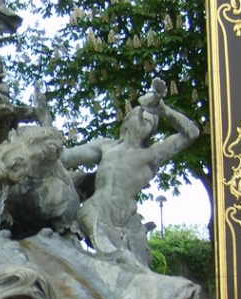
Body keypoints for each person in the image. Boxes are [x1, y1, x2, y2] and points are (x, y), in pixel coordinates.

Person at [61, 79, 200, 264]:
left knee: (136, 269)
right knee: (88, 216)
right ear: (126, 122)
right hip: (97, 209)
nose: (146, 119)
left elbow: (192, 133)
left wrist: (164, 111)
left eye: (151, 121)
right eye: (141, 115)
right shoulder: (105, 146)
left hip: (126, 218)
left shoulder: (152, 153)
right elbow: (65, 157)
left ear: (151, 130)